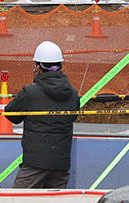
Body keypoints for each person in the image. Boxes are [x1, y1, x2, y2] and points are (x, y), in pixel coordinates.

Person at [6, 41, 80, 189]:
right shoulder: (72, 93)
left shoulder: (31, 92)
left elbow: (11, 115)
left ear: (37, 67)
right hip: (61, 164)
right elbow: (72, 117)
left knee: (18, 201)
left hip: (34, 164)